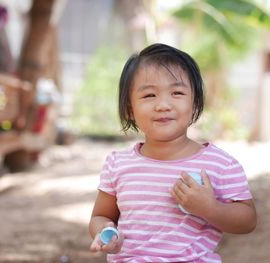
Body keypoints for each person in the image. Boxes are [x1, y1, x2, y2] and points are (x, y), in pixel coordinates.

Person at [89, 43, 257, 262]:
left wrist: (210, 208)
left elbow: (248, 220)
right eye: (149, 95)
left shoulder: (220, 165)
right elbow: (101, 216)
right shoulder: (118, 164)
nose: (163, 105)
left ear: (195, 104)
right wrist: (105, 232)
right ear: (130, 109)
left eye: (177, 92)